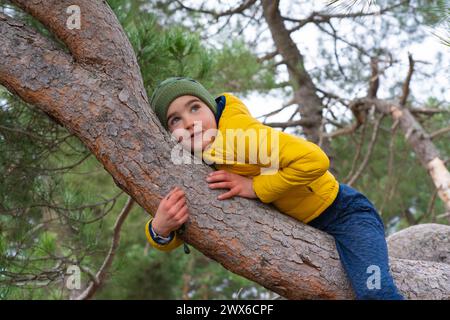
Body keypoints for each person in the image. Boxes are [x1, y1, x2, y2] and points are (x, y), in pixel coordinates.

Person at [145, 76, 404, 300]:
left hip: (343, 213)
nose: (189, 123)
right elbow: (188, 219)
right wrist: (159, 230)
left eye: (194, 107)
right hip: (300, 230)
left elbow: (315, 160)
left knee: (374, 290)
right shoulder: (194, 161)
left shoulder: (241, 135)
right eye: (174, 120)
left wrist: (256, 186)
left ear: (212, 109)